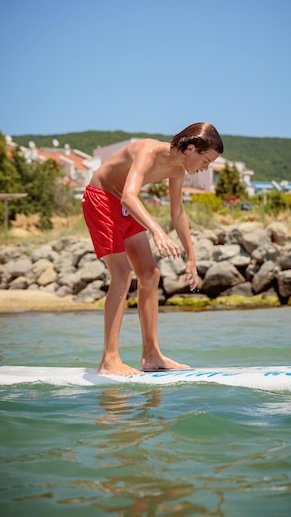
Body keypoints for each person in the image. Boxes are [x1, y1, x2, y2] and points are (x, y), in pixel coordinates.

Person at [82, 122, 224, 376]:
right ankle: (109, 360)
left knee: (150, 273)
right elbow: (129, 196)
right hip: (101, 198)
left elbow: (178, 212)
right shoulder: (148, 151)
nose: (206, 168)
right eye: (207, 160)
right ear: (190, 149)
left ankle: (151, 354)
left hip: (125, 205)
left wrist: (191, 258)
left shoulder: (178, 170)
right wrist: (158, 232)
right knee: (123, 273)